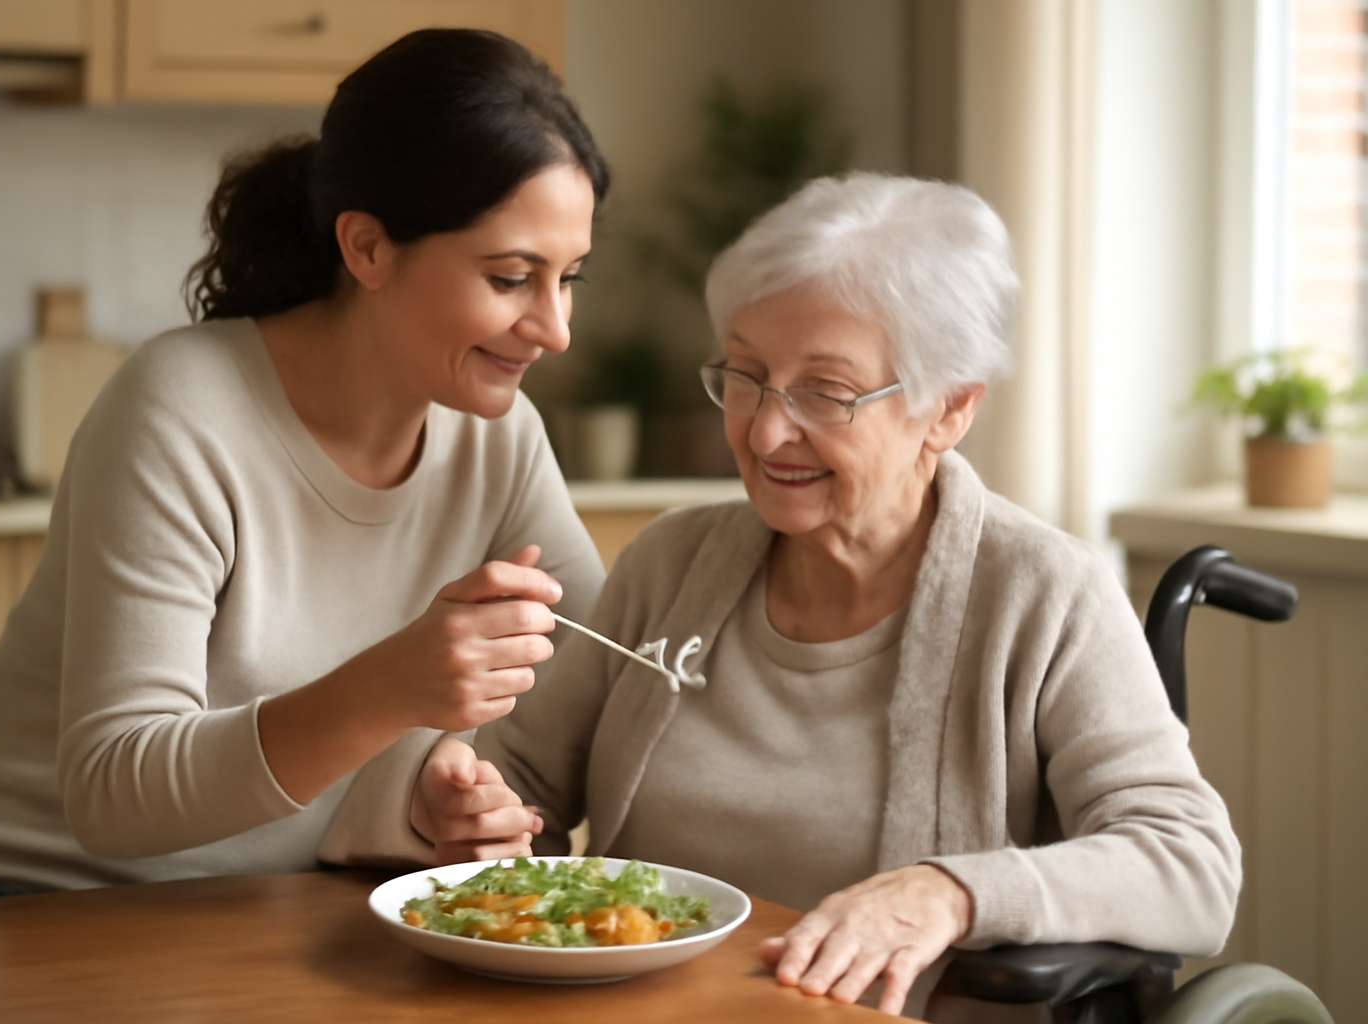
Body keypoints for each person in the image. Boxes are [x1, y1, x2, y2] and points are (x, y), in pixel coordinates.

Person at [410, 173, 1242, 1019]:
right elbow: (523, 787)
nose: (767, 432)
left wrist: (947, 893)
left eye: (824, 392)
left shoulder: (1044, 594)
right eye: (747, 375)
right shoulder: (671, 562)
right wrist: (478, 812)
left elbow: (1190, 863)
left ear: (949, 408)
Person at [0, 28, 610, 906]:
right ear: (368, 248)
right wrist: (389, 689)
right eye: (511, 277)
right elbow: (114, 793)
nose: (555, 328)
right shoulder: (181, 407)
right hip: (10, 898)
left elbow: (613, 676)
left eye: (569, 278)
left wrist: (432, 786)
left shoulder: (502, 437)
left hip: (254, 899)